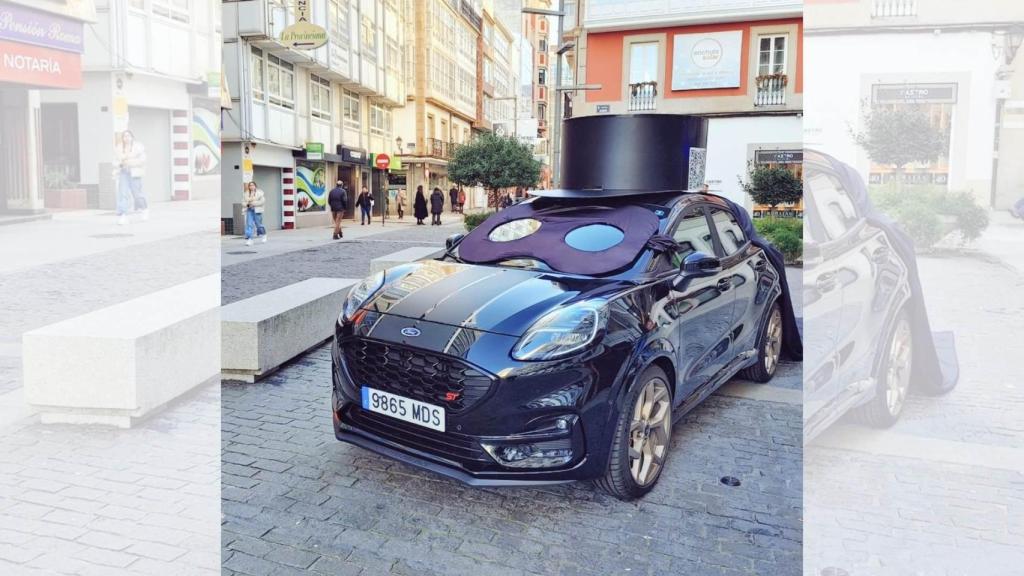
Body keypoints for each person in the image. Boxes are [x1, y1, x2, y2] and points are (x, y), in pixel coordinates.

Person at [115, 130, 147, 225]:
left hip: (134, 173)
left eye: (128, 136)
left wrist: (129, 162)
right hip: (123, 173)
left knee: (137, 194)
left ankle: (144, 209)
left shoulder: (138, 147)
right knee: (123, 193)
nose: (126, 138)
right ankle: (123, 215)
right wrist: (120, 164)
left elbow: (142, 160)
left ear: (132, 137)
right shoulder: (119, 148)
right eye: (124, 136)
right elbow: (115, 161)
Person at [243, 181, 267, 246]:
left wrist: (253, 203)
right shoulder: (246, 194)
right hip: (249, 210)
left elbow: (262, 202)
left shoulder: (260, 193)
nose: (251, 187)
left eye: (252, 185)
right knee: (249, 224)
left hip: (257, 210)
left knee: (258, 224)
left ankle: (263, 234)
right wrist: (247, 205)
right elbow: (243, 202)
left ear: (255, 186)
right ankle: (250, 239)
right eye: (250, 185)